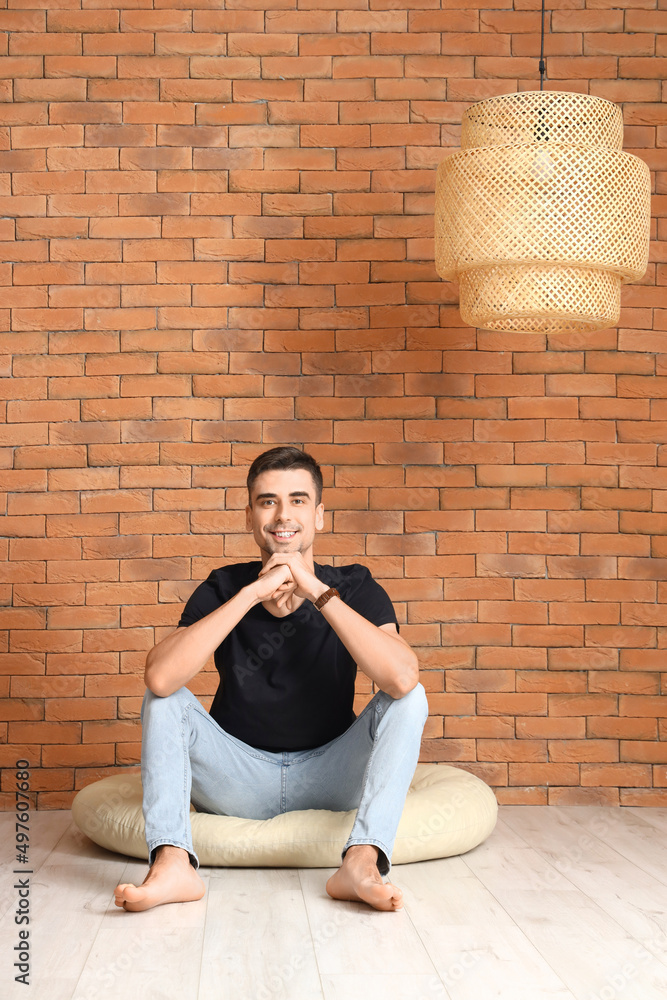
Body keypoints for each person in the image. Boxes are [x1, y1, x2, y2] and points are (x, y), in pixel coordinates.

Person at [114, 446, 428, 913]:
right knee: (164, 700)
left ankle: (362, 863)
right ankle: (172, 864)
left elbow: (402, 678)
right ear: (251, 517)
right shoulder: (225, 586)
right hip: (235, 779)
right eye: (268, 501)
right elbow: (160, 677)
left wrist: (315, 589)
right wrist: (252, 594)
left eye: (298, 500)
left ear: (318, 515)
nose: (283, 515)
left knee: (411, 698)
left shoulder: (354, 585)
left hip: (330, 774)